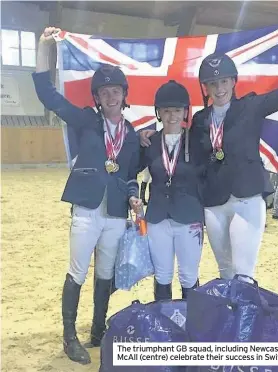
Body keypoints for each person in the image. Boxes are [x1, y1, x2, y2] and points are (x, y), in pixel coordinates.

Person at [141, 13, 278, 279]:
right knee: (225, 271)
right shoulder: (200, 119)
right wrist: (152, 133)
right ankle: (228, 320)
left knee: (243, 273)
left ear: (233, 81)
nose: (219, 88)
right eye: (213, 83)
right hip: (214, 202)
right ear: (205, 87)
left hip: (246, 198)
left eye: (224, 81)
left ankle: (244, 321)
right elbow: (185, 148)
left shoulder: (251, 107)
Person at [32, 27, 141, 365]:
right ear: (97, 97)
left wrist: (135, 197)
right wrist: (43, 49)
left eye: (116, 91)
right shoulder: (84, 121)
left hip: (114, 214)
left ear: (124, 95)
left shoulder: (134, 134)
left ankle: (97, 330)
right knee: (78, 271)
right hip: (87, 209)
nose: (110, 96)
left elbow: (131, 175)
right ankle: (69, 336)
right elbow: (48, 95)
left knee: (105, 272)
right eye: (105, 92)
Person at [138, 80, 204, 300]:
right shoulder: (149, 142)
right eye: (166, 111)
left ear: (185, 112)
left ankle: (192, 327)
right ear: (159, 113)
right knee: (163, 275)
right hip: (157, 217)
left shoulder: (197, 141)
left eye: (177, 110)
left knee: (188, 275)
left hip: (189, 216)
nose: (172, 116)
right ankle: (164, 326)